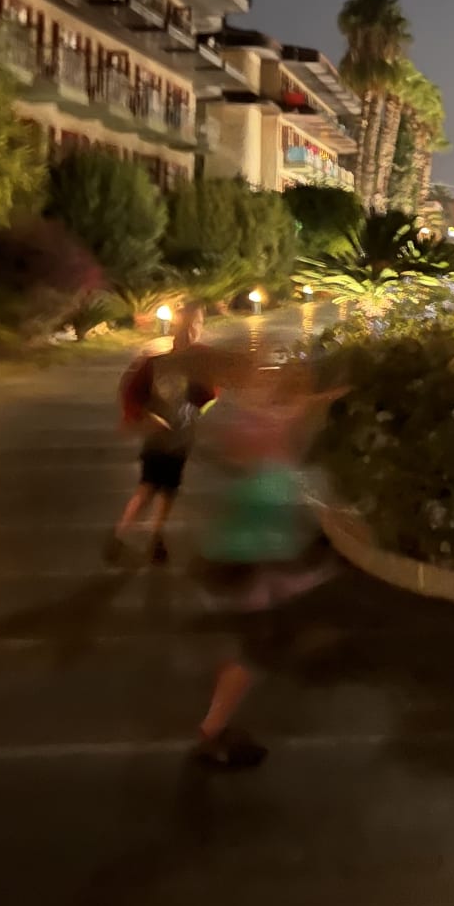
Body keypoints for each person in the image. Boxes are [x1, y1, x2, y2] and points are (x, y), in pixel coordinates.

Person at [191, 363, 344, 770]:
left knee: (256, 650)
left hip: (251, 565)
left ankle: (216, 726)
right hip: (244, 565)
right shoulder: (268, 467)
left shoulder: (272, 451)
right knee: (253, 655)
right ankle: (212, 732)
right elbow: (261, 532)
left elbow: (303, 407)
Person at [105, 302, 216, 566]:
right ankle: (120, 534)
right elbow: (132, 392)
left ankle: (156, 537)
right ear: (178, 326)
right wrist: (143, 415)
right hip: (158, 435)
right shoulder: (156, 360)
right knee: (148, 486)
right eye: (188, 324)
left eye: (197, 324)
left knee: (169, 488)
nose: (192, 330)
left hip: (182, 436)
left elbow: (208, 395)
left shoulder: (201, 360)